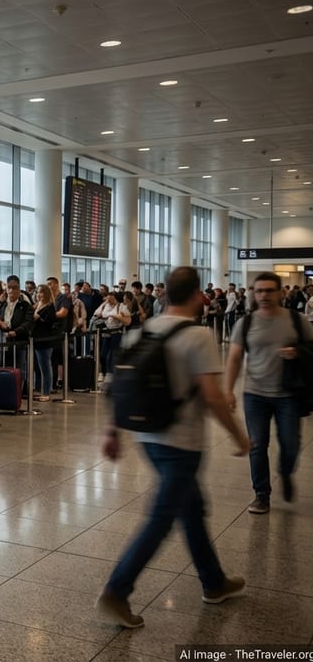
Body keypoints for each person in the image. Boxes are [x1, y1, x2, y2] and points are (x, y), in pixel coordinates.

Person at [96, 266, 249, 629]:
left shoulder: (143, 330)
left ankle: (214, 581)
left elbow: (119, 385)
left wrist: (112, 431)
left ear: (164, 294)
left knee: (192, 509)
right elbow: (213, 396)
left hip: (147, 437)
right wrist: (239, 436)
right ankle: (117, 591)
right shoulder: (198, 335)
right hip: (182, 442)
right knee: (162, 517)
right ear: (197, 296)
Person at [224, 271, 313, 514]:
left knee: (290, 444)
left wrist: (298, 352)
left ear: (280, 292)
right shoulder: (246, 323)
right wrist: (228, 390)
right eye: (259, 291)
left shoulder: (296, 320)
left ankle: (285, 472)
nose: (264, 295)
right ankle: (261, 494)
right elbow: (234, 358)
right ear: (253, 293)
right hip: (255, 394)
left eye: (269, 290)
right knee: (257, 445)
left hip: (289, 394)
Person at [0, 275, 32, 388]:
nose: (11, 290)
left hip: (19, 341)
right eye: (9, 288)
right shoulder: (2, 304)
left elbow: (28, 322)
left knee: (18, 368)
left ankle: (17, 392)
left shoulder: (24, 305)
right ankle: (3, 390)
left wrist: (16, 332)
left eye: (15, 288)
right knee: (2, 368)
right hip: (3, 341)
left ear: (19, 289)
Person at [93, 292, 131, 383]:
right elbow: (96, 314)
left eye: (112, 299)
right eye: (108, 299)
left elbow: (128, 320)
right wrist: (102, 316)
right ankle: (104, 372)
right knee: (103, 354)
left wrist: (116, 316)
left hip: (116, 333)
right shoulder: (104, 305)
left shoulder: (121, 306)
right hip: (106, 333)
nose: (110, 301)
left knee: (113, 354)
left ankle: (111, 374)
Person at [30, 284, 57, 402]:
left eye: (41, 292)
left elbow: (50, 322)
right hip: (36, 339)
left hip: (45, 340)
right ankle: (40, 389)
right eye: (37, 292)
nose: (38, 294)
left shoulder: (50, 307)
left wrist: (39, 318)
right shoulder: (36, 305)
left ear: (46, 294)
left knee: (45, 366)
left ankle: (46, 392)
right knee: (39, 367)